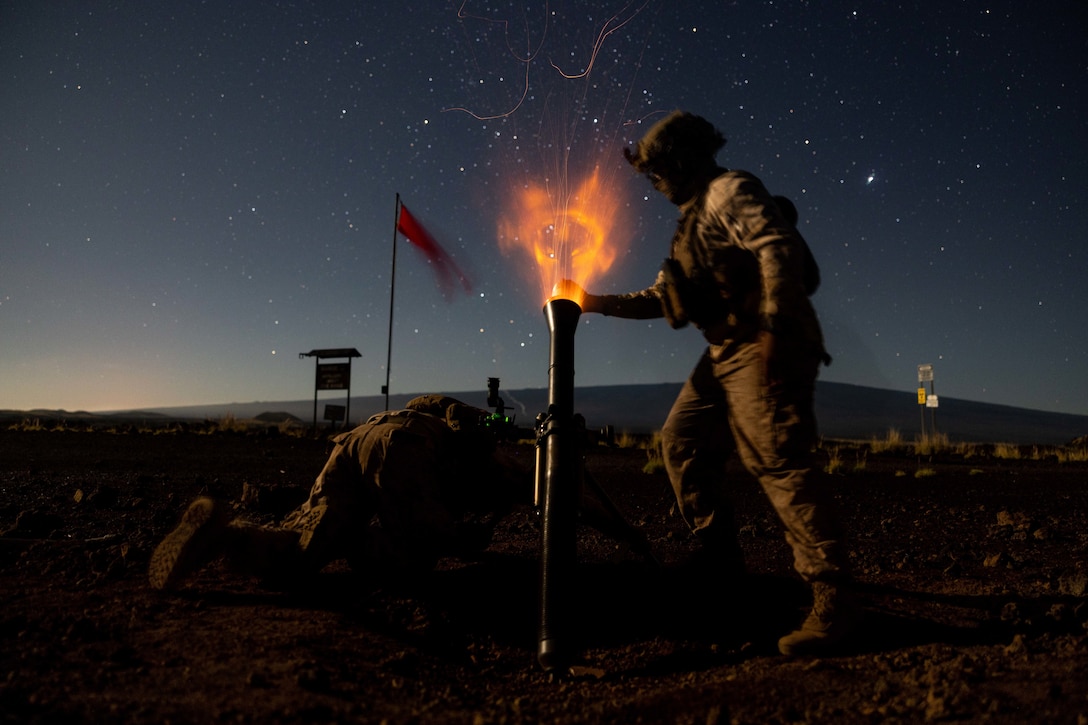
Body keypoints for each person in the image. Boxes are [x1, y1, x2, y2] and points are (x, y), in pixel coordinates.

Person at [561, 110, 855, 656]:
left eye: (657, 172)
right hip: (724, 353)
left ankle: (833, 599)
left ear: (680, 159)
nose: (654, 184)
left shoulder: (728, 192)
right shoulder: (690, 227)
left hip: (763, 342)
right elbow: (659, 297)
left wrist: (775, 324)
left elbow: (777, 248)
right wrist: (593, 303)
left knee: (778, 461)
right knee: (683, 439)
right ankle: (719, 559)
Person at [148, 395, 531, 591]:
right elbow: (435, 523)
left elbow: (421, 410)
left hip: (358, 438)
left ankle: (226, 537)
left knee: (306, 538)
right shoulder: (495, 458)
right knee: (417, 558)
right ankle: (357, 542)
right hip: (399, 448)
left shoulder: (436, 410)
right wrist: (464, 538)